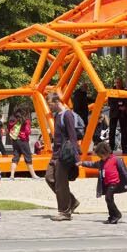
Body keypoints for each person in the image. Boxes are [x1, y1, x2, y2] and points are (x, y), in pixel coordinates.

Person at [45, 92, 81, 221]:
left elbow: (72, 136)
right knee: (49, 177)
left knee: (61, 183)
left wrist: (77, 159)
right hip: (56, 153)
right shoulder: (57, 116)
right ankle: (71, 201)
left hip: (64, 154)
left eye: (50, 105)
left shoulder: (68, 115)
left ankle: (64, 211)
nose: (49, 108)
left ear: (56, 101)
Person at [82, 140, 127, 224]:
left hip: (114, 182)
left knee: (108, 198)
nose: (101, 158)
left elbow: (124, 171)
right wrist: (82, 163)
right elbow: (92, 164)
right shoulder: (101, 162)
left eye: (102, 155)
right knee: (109, 199)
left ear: (107, 152)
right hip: (107, 183)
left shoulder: (116, 160)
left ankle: (117, 214)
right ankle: (112, 216)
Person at [7, 108, 37, 179]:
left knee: (15, 157)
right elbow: (27, 131)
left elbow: (9, 128)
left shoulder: (12, 120)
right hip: (23, 140)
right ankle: (33, 175)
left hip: (15, 140)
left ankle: (12, 175)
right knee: (28, 156)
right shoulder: (25, 120)